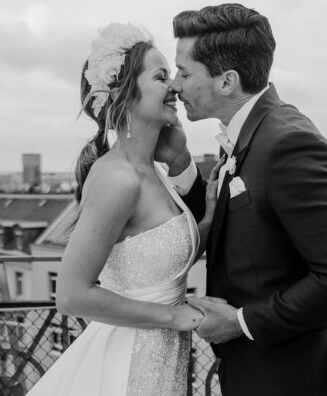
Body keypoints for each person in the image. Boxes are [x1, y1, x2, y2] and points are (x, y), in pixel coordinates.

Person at [163, 3, 327, 396]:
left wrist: (241, 321)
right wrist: (179, 162)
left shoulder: (288, 143)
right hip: (256, 374)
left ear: (227, 81)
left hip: (295, 380)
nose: (174, 85)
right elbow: (232, 227)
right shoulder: (248, 132)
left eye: (184, 72)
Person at [26, 22, 219, 396]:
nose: (175, 87)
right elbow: (70, 295)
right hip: (127, 361)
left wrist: (208, 218)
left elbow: (164, 262)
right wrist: (174, 315)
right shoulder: (117, 178)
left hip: (164, 356)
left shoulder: (153, 171)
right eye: (162, 76)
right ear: (124, 92)